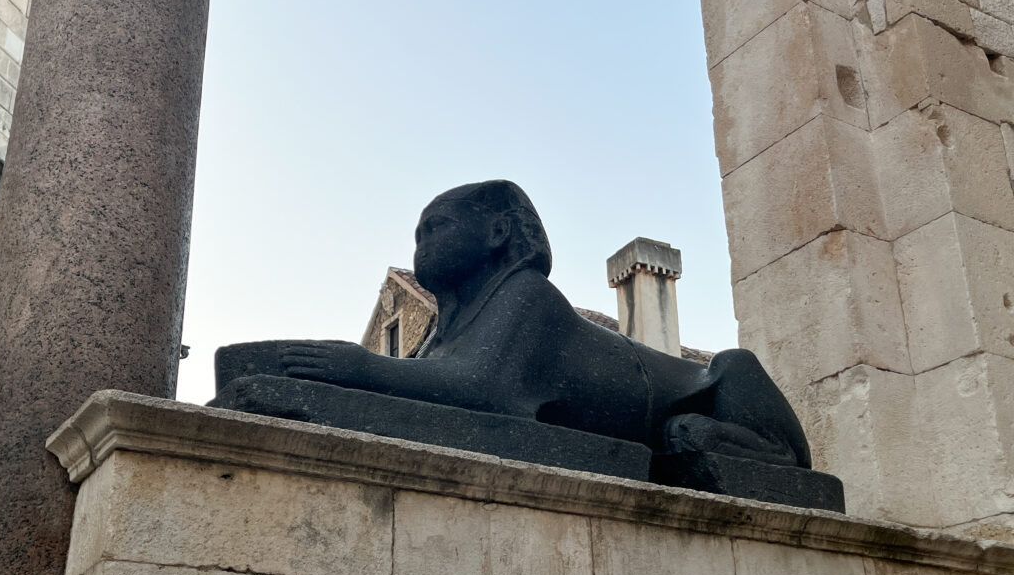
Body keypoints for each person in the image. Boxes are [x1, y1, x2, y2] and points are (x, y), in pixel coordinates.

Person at [280, 180, 811, 468]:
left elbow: (482, 389)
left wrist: (361, 366)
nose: (422, 244)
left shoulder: (526, 294)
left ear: (497, 232)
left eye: (437, 227)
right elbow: (439, 388)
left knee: (734, 364)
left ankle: (768, 451)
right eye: (419, 234)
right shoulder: (443, 334)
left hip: (696, 394)